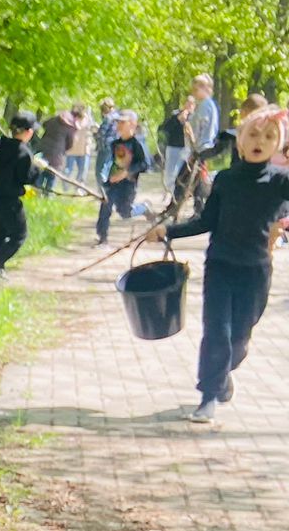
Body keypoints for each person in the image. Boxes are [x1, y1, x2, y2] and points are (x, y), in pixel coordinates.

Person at [151, 107, 289, 425]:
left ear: (278, 146)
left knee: (240, 338)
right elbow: (207, 221)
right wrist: (168, 231)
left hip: (256, 271)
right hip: (221, 266)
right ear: (239, 142)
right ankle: (209, 397)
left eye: (269, 137)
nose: (260, 141)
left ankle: (222, 375)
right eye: (253, 134)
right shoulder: (225, 179)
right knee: (217, 333)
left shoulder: (281, 182)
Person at [0, 112, 43, 283]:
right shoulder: (23, 152)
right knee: (19, 235)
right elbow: (26, 178)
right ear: (28, 132)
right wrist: (37, 168)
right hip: (9, 200)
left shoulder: (2, 147)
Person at [96, 110, 151, 244]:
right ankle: (102, 238)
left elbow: (145, 164)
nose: (119, 125)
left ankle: (143, 208)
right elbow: (112, 162)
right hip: (113, 183)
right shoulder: (115, 143)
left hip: (128, 185)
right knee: (105, 206)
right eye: (117, 122)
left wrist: (126, 173)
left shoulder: (137, 143)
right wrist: (107, 178)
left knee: (124, 212)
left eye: (122, 122)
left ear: (132, 124)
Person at [159, 96, 195, 197]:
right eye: (187, 103)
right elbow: (166, 129)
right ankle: (168, 192)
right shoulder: (175, 114)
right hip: (173, 147)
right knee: (170, 171)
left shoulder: (194, 117)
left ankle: (180, 193)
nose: (189, 106)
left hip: (187, 149)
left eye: (191, 104)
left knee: (182, 172)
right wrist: (178, 119)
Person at [37, 106, 77, 194]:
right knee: (52, 176)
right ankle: (47, 195)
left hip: (44, 149)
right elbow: (70, 144)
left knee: (41, 172)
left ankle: (37, 193)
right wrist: (63, 149)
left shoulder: (52, 120)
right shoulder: (69, 128)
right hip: (57, 155)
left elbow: (44, 124)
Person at [189, 73, 220, 157]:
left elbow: (198, 127)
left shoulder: (205, 105)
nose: (193, 93)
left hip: (203, 148)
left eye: (196, 89)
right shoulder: (206, 104)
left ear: (205, 88)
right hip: (202, 148)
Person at [63, 104, 91, 185]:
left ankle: (79, 187)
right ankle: (65, 187)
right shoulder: (70, 119)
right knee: (68, 169)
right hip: (71, 148)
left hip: (84, 149)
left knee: (82, 170)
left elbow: (86, 127)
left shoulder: (87, 118)